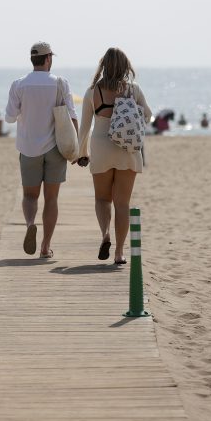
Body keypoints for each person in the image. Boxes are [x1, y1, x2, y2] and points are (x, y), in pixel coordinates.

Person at [76, 47, 152, 265]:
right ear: (125, 66)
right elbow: (148, 115)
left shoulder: (93, 92)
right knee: (122, 204)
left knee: (102, 199)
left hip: (101, 148)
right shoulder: (133, 90)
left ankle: (105, 235)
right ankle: (119, 253)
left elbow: (84, 127)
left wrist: (82, 153)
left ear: (103, 66)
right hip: (127, 149)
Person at [5, 41, 78, 259]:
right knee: (51, 199)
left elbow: (9, 118)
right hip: (56, 148)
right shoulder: (60, 83)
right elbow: (72, 116)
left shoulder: (19, 84)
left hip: (28, 148)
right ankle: (45, 246)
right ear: (48, 59)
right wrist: (77, 149)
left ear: (32, 59)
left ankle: (30, 223)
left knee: (30, 196)